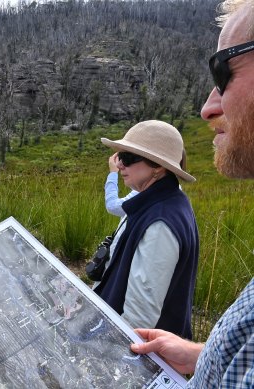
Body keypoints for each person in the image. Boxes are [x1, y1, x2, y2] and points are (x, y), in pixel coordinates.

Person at [132, 1, 254, 386]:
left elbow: (140, 307)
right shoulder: (146, 208)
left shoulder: (164, 219)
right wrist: (204, 355)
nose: (207, 107)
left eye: (222, 70)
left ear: (158, 167)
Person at [93, 120, 199, 339]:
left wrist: (110, 350)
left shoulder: (161, 222)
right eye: (120, 156)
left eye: (129, 158)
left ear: (158, 167)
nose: (120, 165)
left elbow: (139, 317)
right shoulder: (158, 202)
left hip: (134, 348)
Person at [104, 152, 138, 217]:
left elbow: (112, 206)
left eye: (128, 158)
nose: (118, 165)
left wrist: (113, 173)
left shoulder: (145, 192)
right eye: (121, 157)